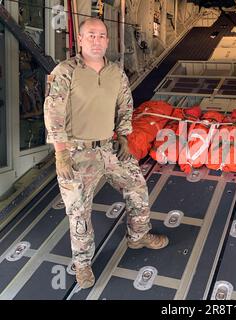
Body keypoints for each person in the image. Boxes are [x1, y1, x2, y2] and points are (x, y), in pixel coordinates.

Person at [44, 18, 168, 289]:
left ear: (107, 41)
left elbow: (125, 105)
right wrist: (60, 153)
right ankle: (83, 263)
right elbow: (53, 112)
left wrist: (123, 136)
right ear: (80, 39)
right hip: (75, 153)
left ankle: (138, 235)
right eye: (91, 35)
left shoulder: (116, 73)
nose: (97, 40)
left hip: (108, 147)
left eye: (102, 36)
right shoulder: (65, 72)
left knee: (136, 185)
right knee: (79, 211)